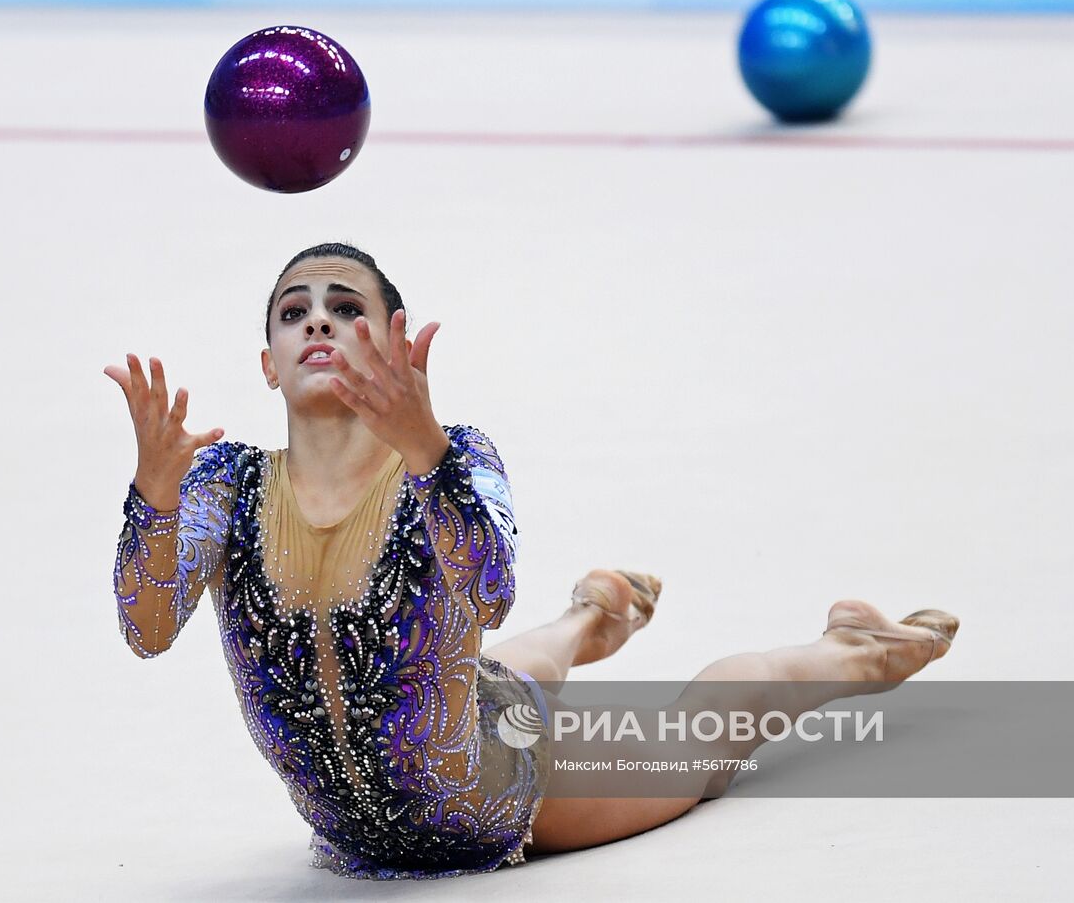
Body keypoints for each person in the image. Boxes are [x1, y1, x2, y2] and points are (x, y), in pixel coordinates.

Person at [103, 242, 959, 879]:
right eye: (295, 312)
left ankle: (853, 648)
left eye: (346, 306)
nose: (319, 319)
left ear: (394, 345)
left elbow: (486, 595)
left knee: (706, 741)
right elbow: (145, 631)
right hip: (365, 818)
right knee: (492, 681)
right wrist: (153, 494)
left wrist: (424, 447)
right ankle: (594, 615)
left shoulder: (456, 455)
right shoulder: (224, 483)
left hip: (505, 792)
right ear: (267, 363)